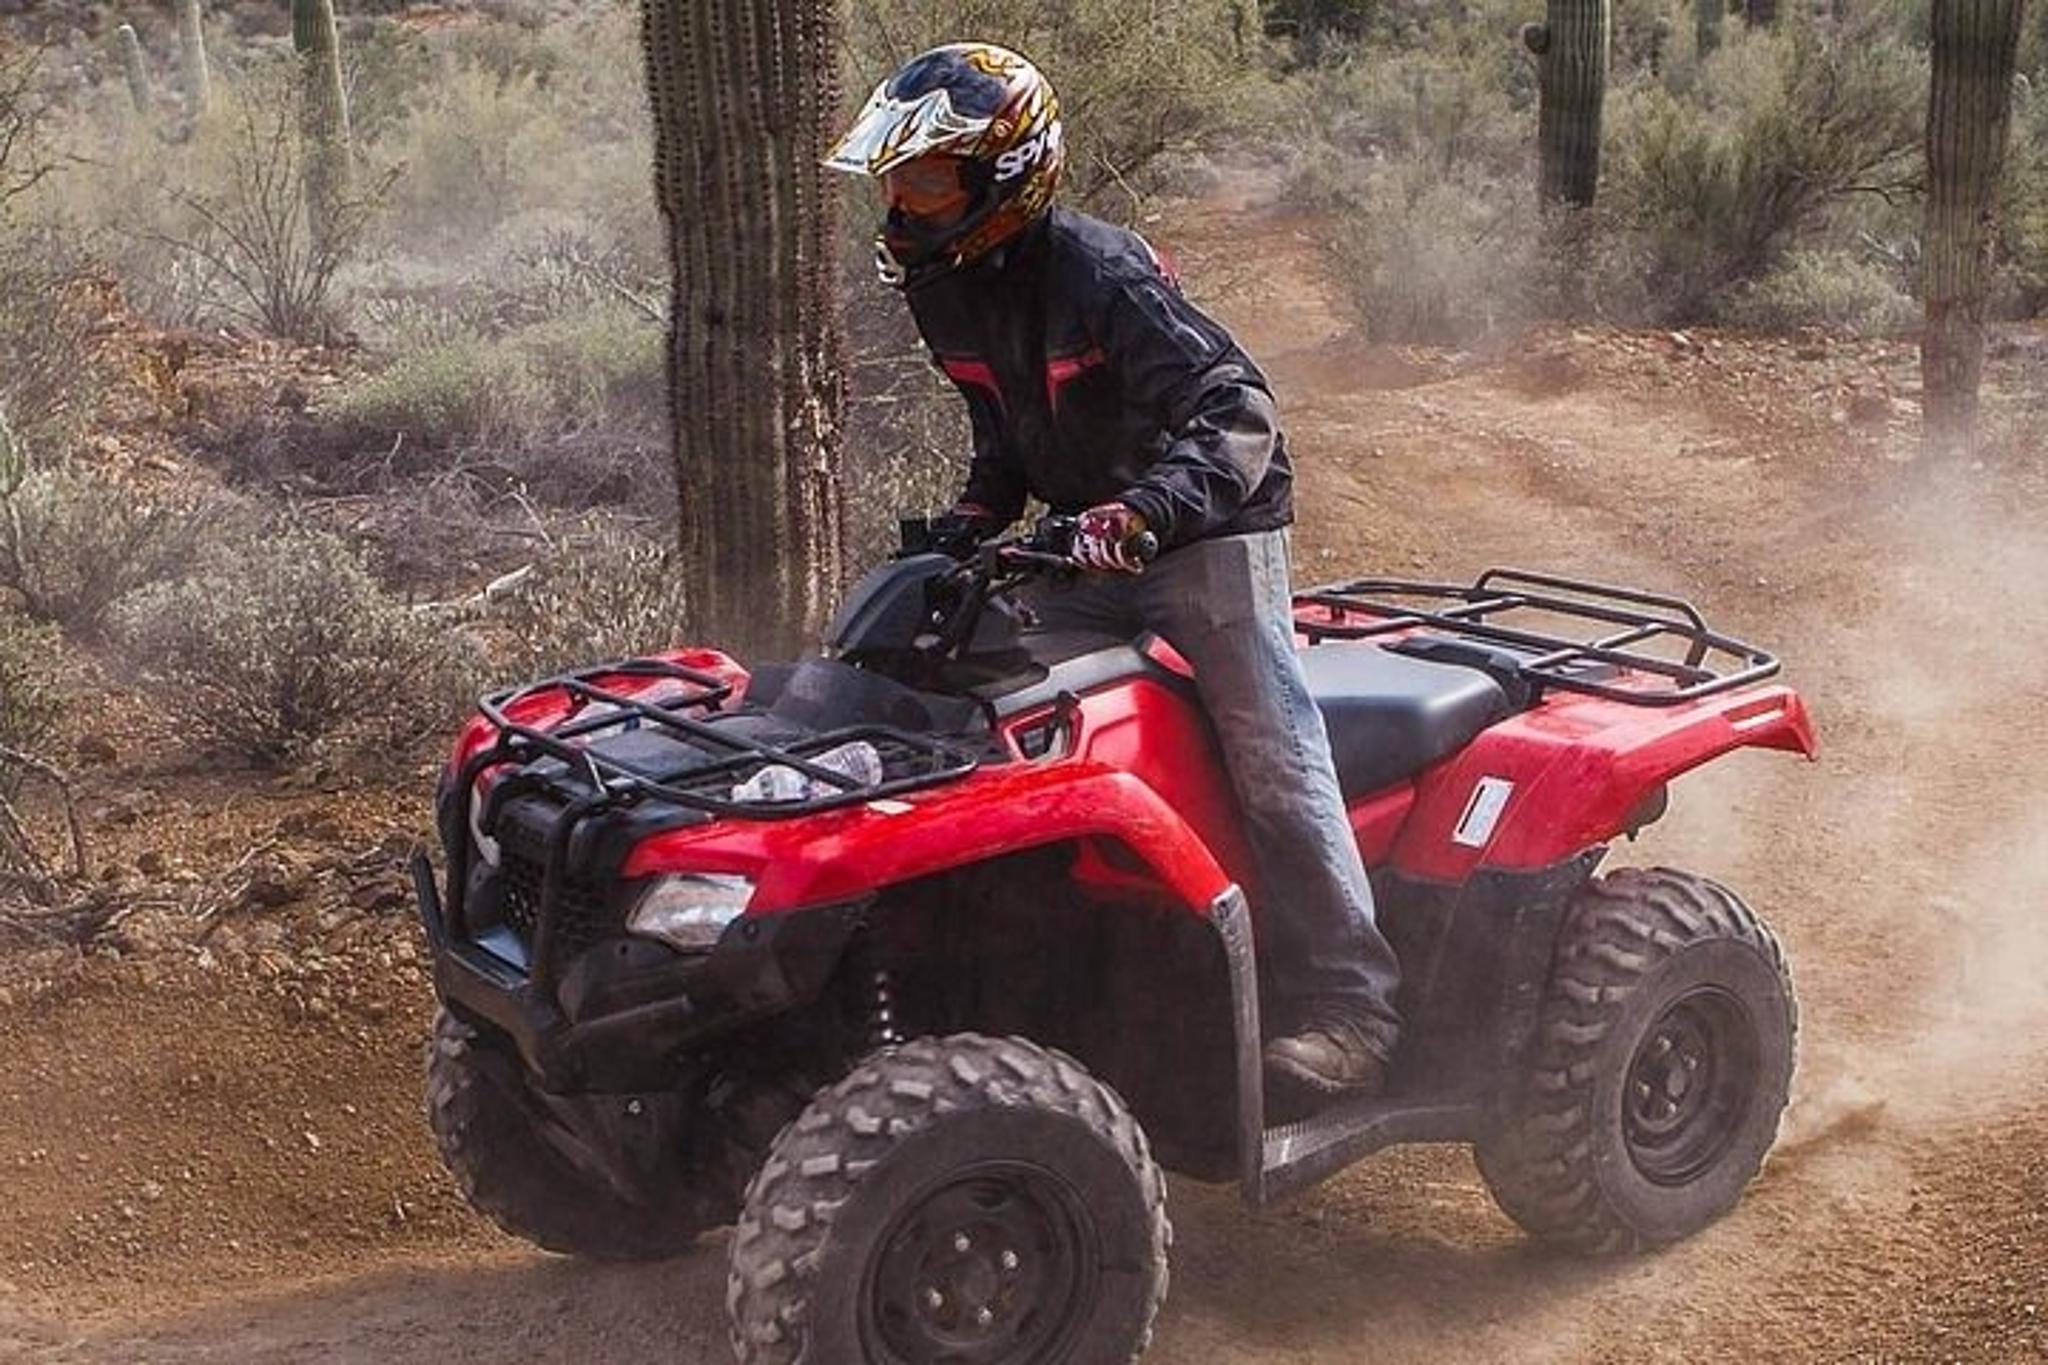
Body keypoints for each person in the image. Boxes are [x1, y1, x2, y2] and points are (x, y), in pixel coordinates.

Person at [825, 43, 1402, 1103]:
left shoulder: (1101, 274)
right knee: (961, 695)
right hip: (1081, 536)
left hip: (1204, 538)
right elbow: (1006, 430)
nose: (904, 202)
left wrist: (1144, 513)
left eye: (930, 177)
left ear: (1006, 176)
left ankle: (1350, 1006)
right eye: (896, 178)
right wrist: (971, 519)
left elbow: (1238, 414)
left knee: (1270, 750)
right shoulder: (943, 286)